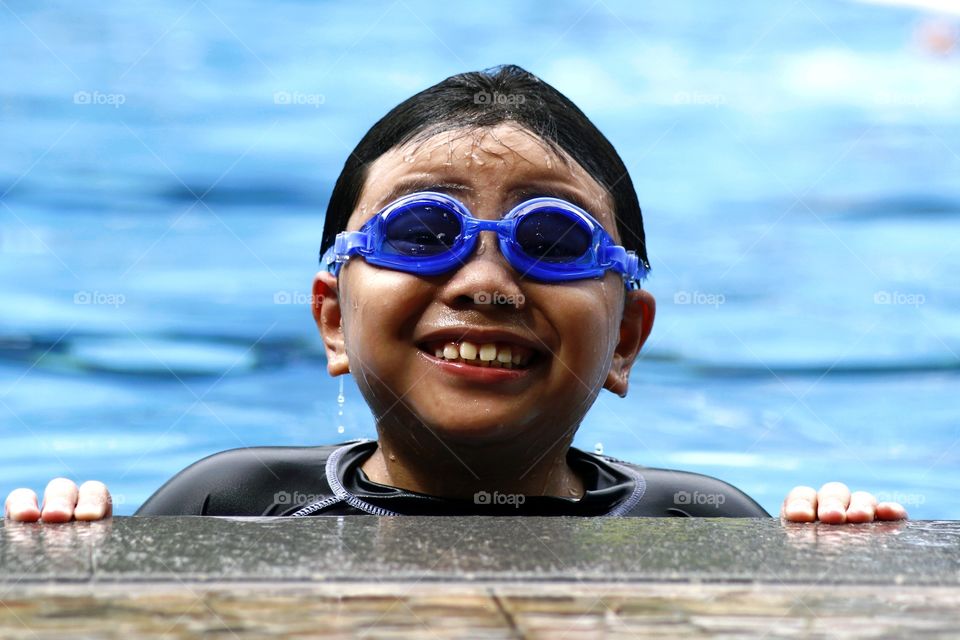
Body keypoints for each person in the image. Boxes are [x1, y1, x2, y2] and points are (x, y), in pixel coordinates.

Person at [4, 65, 908, 524]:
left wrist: (841, 557)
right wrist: (68, 548)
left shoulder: (699, 521)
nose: (485, 284)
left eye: (552, 241)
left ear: (627, 337)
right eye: (420, 234)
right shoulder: (229, 502)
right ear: (332, 320)